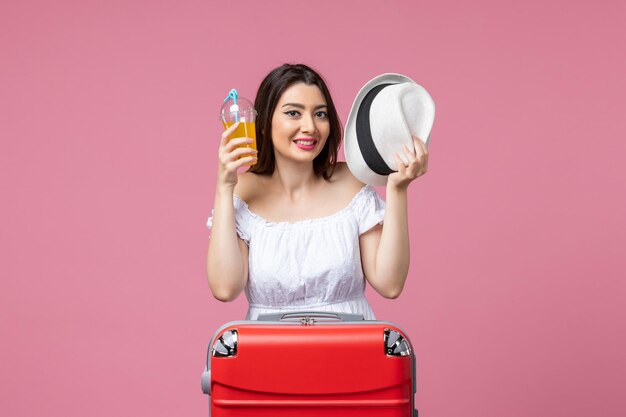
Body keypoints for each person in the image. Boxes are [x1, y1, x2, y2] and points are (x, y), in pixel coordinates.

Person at [206, 63, 428, 320]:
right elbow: (225, 287)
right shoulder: (244, 191)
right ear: (264, 123)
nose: (310, 126)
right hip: (270, 354)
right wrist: (224, 187)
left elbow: (390, 284)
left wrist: (398, 189)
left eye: (320, 114)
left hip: (349, 351)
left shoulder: (352, 183)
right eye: (293, 113)